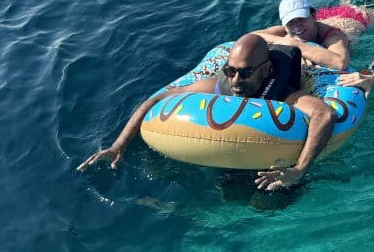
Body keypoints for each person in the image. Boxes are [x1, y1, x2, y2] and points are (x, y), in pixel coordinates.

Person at [77, 33, 334, 191]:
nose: (235, 80)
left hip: (273, 165)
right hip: (232, 159)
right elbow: (158, 99)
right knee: (227, 191)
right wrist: (118, 145)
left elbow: (324, 114)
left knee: (271, 204)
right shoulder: (217, 87)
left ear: (266, 70)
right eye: (230, 71)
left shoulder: (284, 95)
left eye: (245, 72)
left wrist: (299, 170)